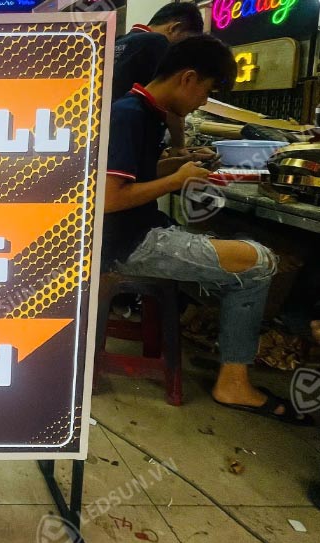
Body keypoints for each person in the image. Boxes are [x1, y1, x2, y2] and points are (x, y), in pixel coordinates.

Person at [102, 35, 313, 426]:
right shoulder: (129, 114)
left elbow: (136, 176)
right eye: (207, 91)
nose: (203, 101)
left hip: (144, 230)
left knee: (250, 260)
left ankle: (229, 361)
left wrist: (179, 166)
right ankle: (233, 383)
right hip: (128, 244)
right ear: (188, 78)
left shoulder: (146, 111)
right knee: (259, 263)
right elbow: (109, 199)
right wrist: (175, 179)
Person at [113, 2, 206, 155]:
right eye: (185, 42)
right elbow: (170, 98)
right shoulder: (157, 42)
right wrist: (179, 147)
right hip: (128, 138)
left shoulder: (119, 42)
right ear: (174, 28)